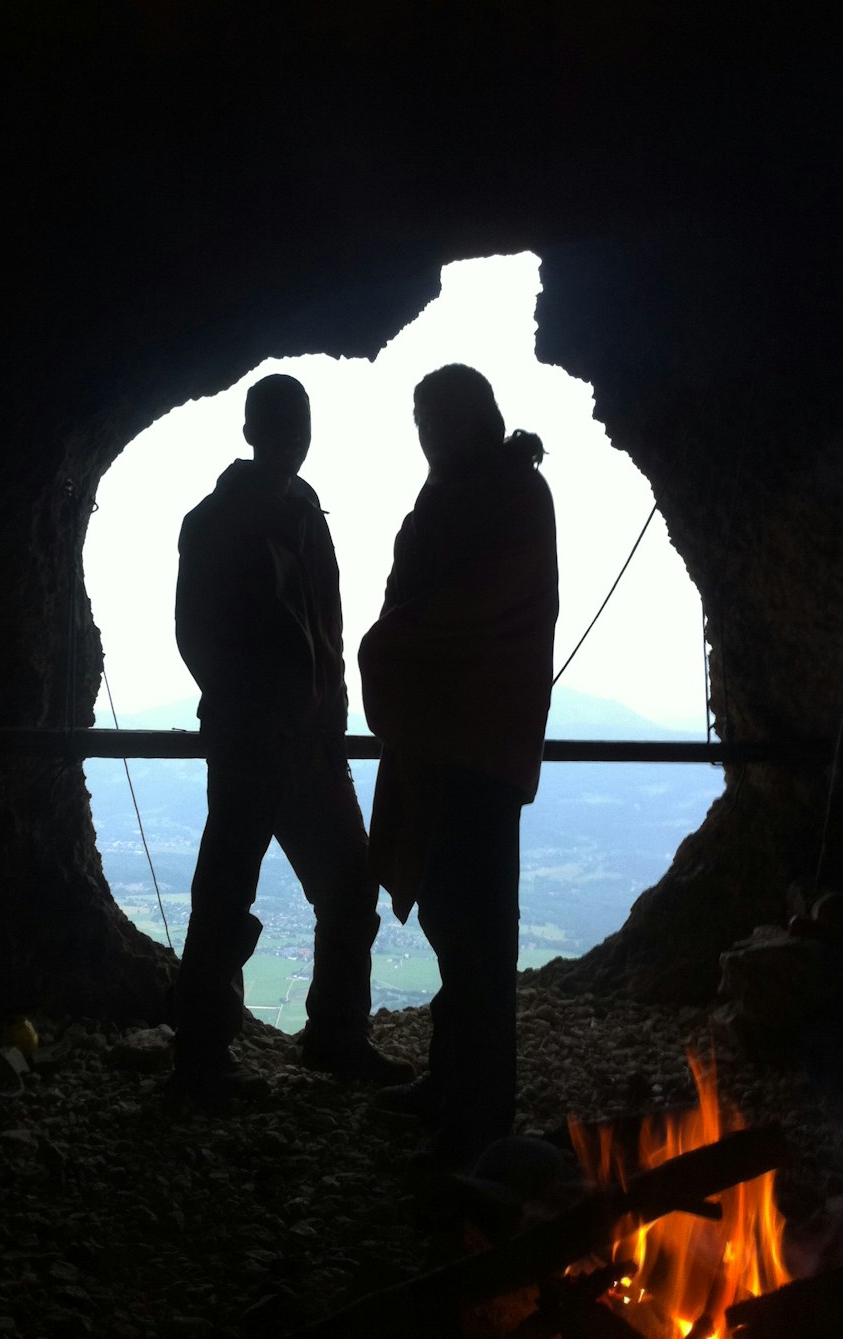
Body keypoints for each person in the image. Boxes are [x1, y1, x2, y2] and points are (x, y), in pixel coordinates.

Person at [168, 373, 413, 1104]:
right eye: (281, 424)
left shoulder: (302, 516)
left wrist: (323, 706)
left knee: (342, 883)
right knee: (229, 894)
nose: (291, 439)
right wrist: (261, 707)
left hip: (303, 738)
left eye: (298, 424)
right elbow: (198, 637)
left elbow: (313, 628)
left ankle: (324, 1037)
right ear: (251, 431)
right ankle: (210, 1058)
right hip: (258, 738)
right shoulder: (218, 521)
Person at [358, 364, 559, 1171]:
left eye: (437, 417)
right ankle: (451, 1084)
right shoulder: (462, 494)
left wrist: (389, 641)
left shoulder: (513, 497)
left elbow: (482, 601)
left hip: (476, 744)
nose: (427, 433)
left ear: (474, 419)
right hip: (445, 742)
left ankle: (479, 1118)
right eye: (419, 419)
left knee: (477, 934)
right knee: (452, 923)